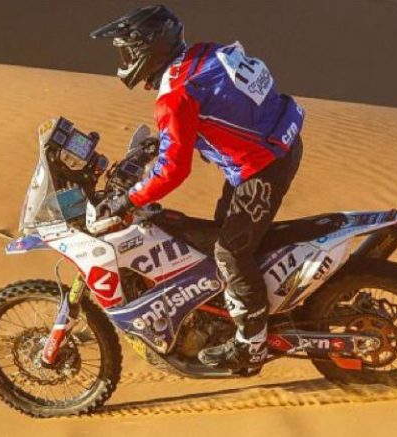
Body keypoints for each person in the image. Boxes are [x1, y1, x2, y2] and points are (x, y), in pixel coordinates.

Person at [91, 4, 304, 370]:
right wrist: (160, 143)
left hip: (262, 165)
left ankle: (252, 345)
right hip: (274, 145)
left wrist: (131, 199)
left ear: (148, 50)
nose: (125, 62)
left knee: (230, 252)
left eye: (128, 53)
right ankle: (245, 309)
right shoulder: (204, 55)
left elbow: (173, 171)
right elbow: (223, 107)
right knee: (222, 233)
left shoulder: (175, 94)